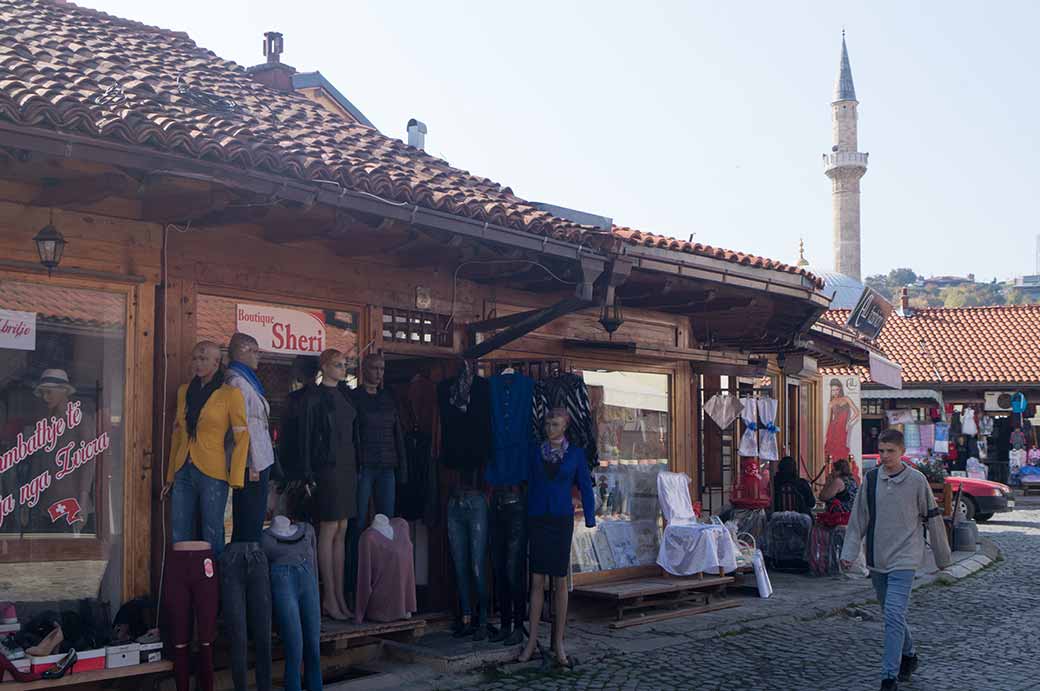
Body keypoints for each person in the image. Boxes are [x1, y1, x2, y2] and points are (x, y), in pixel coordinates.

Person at [841, 429, 939, 690]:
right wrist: (849, 553)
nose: (885, 456)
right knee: (891, 614)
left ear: (902, 452)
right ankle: (909, 654)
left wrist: (943, 556)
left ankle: (888, 677)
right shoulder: (870, 480)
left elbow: (932, 515)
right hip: (878, 558)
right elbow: (858, 519)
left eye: (890, 451)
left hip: (906, 558)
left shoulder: (917, 481)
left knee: (894, 613)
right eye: (881, 451)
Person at [517, 409, 595, 667]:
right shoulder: (534, 451)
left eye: (555, 424)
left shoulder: (575, 454)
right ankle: (531, 643)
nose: (550, 428)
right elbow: (526, 481)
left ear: (565, 426)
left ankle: (559, 642)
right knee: (537, 579)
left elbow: (585, 485)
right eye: (548, 423)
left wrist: (590, 517)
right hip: (538, 518)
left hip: (561, 519)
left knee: (560, 580)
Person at [824, 378, 860, 466]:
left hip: (843, 428)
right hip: (833, 429)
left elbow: (857, 412)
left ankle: (843, 468)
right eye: (833, 390)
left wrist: (848, 423)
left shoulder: (846, 399)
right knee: (832, 450)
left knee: (841, 447)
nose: (835, 392)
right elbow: (828, 420)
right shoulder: (831, 403)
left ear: (840, 389)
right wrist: (825, 435)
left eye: (837, 389)